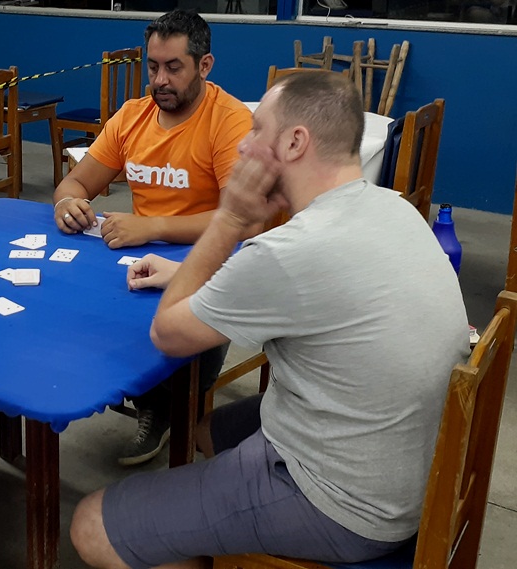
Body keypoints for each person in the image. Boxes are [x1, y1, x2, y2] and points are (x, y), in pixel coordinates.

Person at [69, 72, 470, 569]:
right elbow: (297, 282)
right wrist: (191, 271)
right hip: (407, 461)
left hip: (345, 502)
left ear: (295, 142)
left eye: (257, 130)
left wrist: (230, 219)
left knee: (91, 523)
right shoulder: (393, 206)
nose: (244, 144)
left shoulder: (290, 251)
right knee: (208, 431)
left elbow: (168, 333)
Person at [52, 9, 252, 466]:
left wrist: (154, 226)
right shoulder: (132, 116)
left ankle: (164, 408)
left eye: (173, 67)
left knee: (176, 351)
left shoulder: (230, 122)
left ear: (204, 66)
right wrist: (68, 205)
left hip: (204, 265)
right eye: (153, 66)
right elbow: (74, 184)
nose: (160, 80)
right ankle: (144, 393)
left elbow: (240, 220)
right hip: (134, 260)